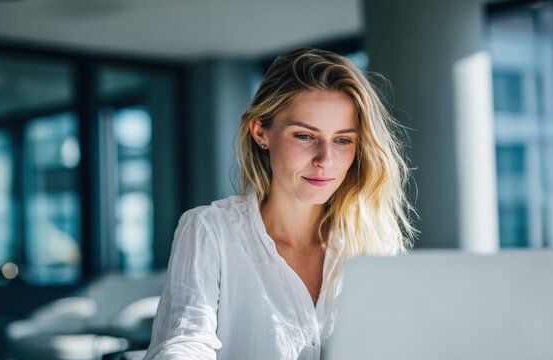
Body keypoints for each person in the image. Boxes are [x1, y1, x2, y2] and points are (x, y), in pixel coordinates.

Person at [144, 48, 416, 360]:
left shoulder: (376, 244)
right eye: (304, 136)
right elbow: (185, 342)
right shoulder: (210, 230)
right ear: (261, 132)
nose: (325, 160)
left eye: (343, 140)